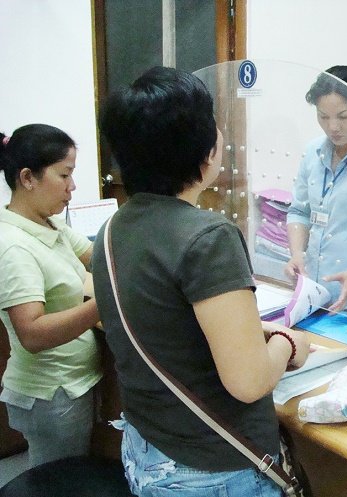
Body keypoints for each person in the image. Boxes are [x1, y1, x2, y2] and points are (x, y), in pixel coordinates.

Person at [93, 66, 310, 497]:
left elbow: (167, 322)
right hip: (211, 471)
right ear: (205, 149)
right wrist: (287, 342)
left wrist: (251, 331)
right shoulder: (208, 238)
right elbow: (249, 381)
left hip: (148, 448)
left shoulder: (115, 226)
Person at [0, 124, 102, 468]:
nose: (72, 187)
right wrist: (103, 303)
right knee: (59, 481)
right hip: (51, 394)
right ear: (28, 178)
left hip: (71, 385)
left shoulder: (49, 224)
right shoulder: (13, 246)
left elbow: (97, 257)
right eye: (64, 175)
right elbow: (32, 333)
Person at [285, 65, 347, 312]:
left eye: (343, 116)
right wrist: (297, 254)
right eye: (323, 116)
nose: (333, 127)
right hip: (314, 294)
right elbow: (299, 211)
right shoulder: (313, 152)